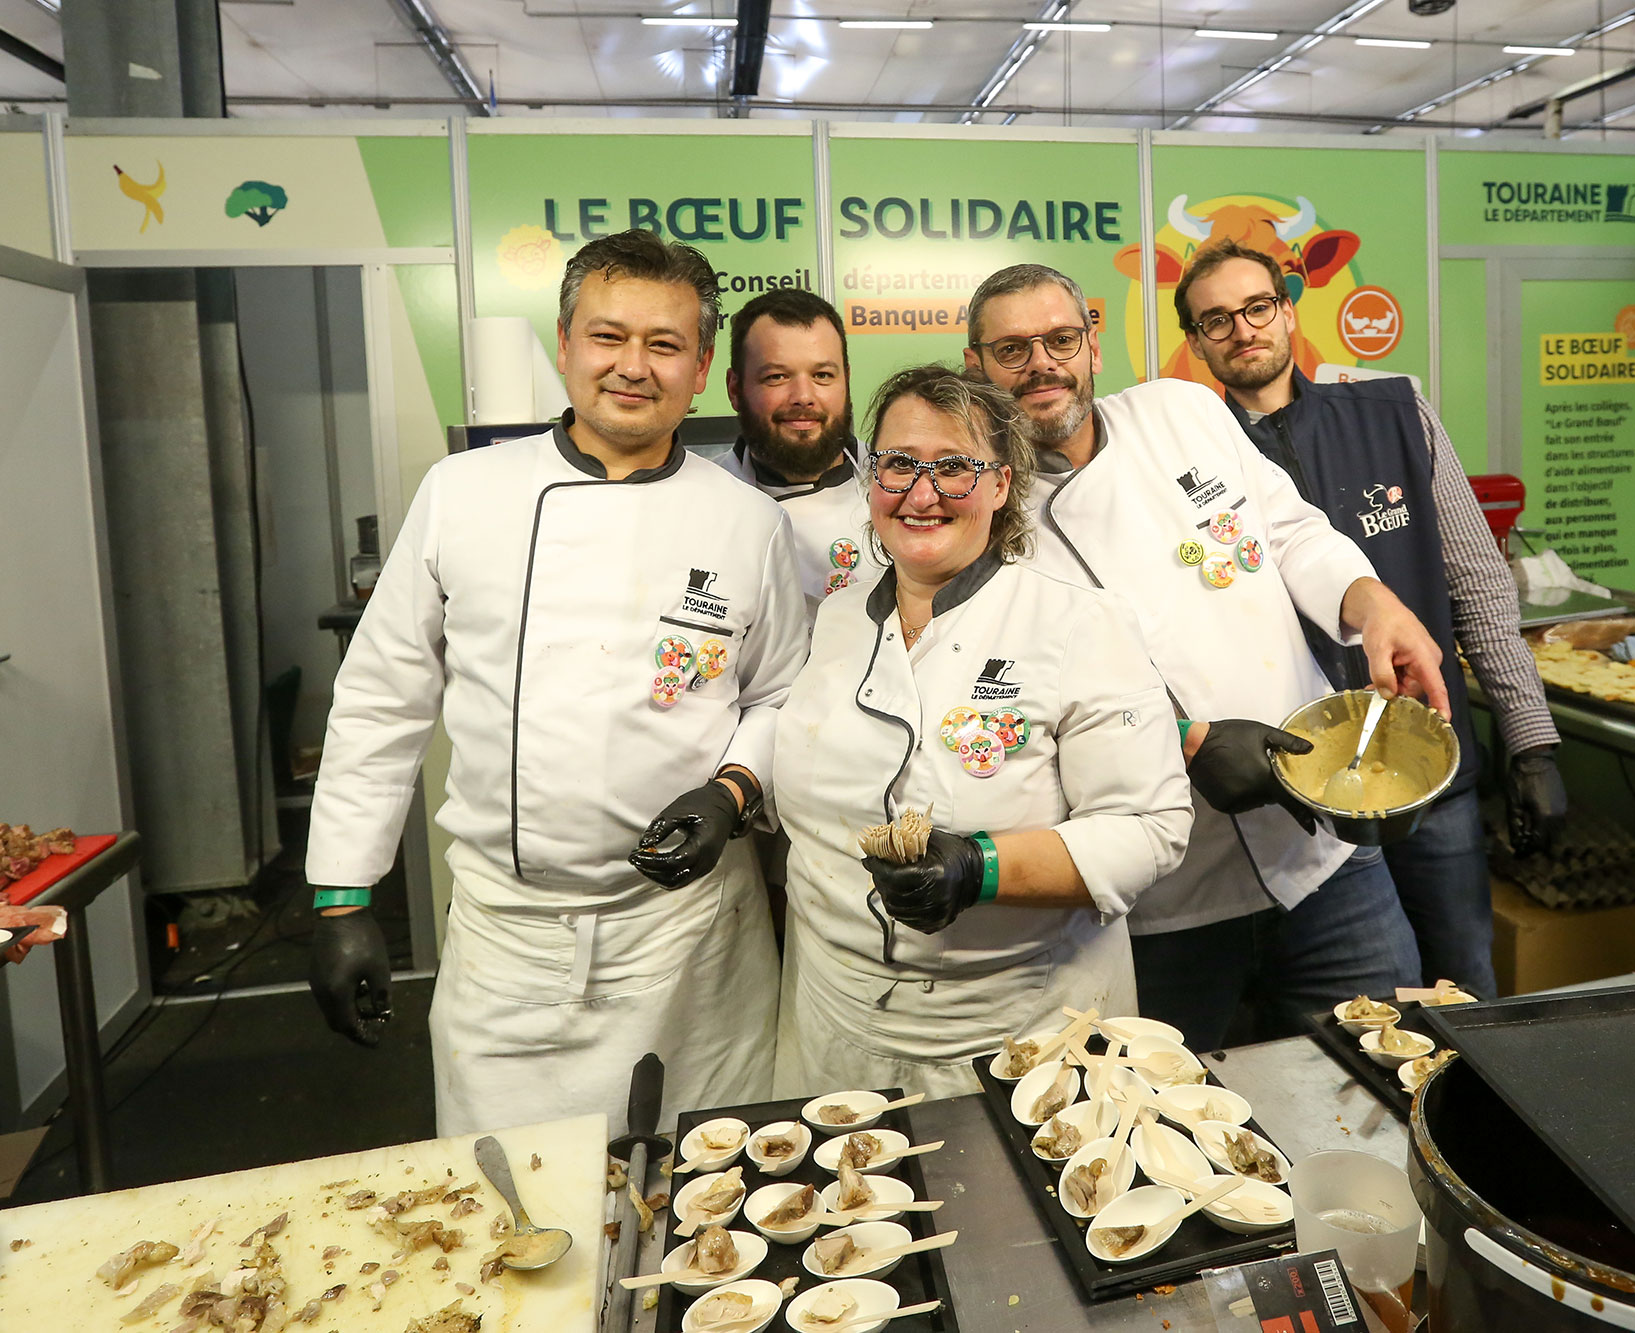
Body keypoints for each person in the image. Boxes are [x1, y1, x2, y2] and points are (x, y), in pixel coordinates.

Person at [306, 230, 810, 1136]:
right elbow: (382, 699)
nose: (633, 367)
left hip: (695, 935)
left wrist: (732, 794)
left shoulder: (748, 523)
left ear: (701, 369)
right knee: (512, 1213)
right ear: (565, 343)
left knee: (715, 1201)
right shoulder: (462, 493)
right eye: (608, 337)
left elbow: (778, 695)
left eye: (665, 345)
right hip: (511, 937)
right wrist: (344, 895)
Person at [962, 263, 1447, 1051]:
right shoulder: (980, 512)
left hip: (1323, 848)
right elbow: (1022, 698)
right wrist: (1183, 738)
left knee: (1388, 1073)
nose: (1041, 364)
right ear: (975, 366)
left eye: (1058, 339)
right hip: (1164, 906)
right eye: (1011, 350)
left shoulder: (1182, 412)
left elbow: (1292, 531)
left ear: (1093, 342)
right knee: (1181, 1132)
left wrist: (1374, 602)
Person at [771, 365, 1192, 1098]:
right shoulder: (835, 619)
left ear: (1002, 485)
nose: (921, 493)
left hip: (1021, 1039)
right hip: (834, 1027)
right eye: (899, 464)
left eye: (955, 467)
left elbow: (1152, 828)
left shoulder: (1079, 624)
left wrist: (981, 865)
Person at [1175, 240, 1566, 997]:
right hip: (1299, 799)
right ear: (1195, 343)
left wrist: (1531, 742)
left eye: (1257, 308)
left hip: (1430, 775)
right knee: (1358, 1012)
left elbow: (1478, 585)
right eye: (1215, 320)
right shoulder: (1193, 463)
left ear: (1287, 311)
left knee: (1463, 986)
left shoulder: (1395, 413)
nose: (1242, 330)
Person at [719, 288, 881, 611]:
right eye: (777, 376)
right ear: (735, 390)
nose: (803, 397)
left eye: (822, 375)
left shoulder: (900, 486)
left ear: (846, 381)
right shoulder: (706, 498)